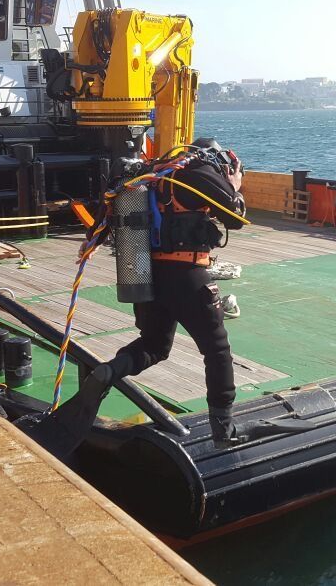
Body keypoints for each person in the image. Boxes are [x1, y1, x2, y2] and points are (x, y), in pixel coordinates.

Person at [89, 139, 247, 447]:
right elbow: (236, 218)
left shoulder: (150, 176)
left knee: (155, 345)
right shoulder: (198, 171)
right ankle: (223, 429)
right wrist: (235, 185)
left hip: (148, 275)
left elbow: (99, 228)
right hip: (188, 276)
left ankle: (108, 371)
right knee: (216, 351)